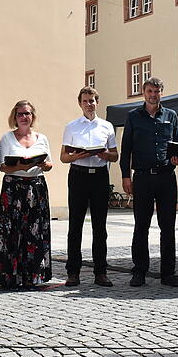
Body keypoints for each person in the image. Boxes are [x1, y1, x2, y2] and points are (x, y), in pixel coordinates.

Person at [120, 77, 178, 288]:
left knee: (168, 227)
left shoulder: (171, 116)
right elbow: (126, 149)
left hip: (167, 177)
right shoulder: (133, 117)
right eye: (149, 91)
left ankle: (168, 273)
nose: (153, 95)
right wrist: (125, 176)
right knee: (141, 226)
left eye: (156, 91)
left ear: (161, 93)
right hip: (143, 178)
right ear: (143, 92)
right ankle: (139, 271)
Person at [0, 100, 53, 289]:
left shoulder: (42, 138)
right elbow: (2, 165)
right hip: (13, 188)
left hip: (36, 188)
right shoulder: (7, 138)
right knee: (12, 232)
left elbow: (49, 164)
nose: (24, 117)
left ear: (32, 116)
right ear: (14, 117)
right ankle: (10, 276)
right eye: (20, 114)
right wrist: (19, 166)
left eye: (27, 113)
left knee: (35, 232)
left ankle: (34, 275)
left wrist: (42, 164)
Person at [60, 87, 118, 287]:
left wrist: (104, 155)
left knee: (100, 227)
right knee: (75, 226)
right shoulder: (72, 127)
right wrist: (77, 156)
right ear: (80, 103)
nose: (89, 104)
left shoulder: (107, 126)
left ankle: (100, 272)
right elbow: (63, 157)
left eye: (92, 100)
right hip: (78, 175)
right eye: (85, 101)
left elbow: (115, 155)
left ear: (97, 102)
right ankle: (73, 272)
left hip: (100, 176)